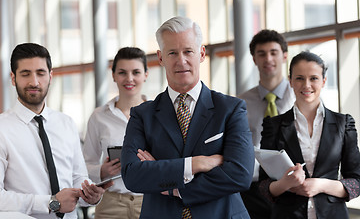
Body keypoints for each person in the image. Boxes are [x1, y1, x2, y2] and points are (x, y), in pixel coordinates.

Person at [120, 16, 254, 219]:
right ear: (161, 57)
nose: (181, 61)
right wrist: (196, 164)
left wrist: (175, 188)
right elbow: (133, 175)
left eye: (188, 51)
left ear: (201, 53)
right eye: (172, 52)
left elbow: (240, 175)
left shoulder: (230, 109)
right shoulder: (142, 115)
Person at [0, 43, 112, 219]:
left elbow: (78, 177)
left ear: (50, 76)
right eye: (25, 74)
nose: (34, 82)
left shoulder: (66, 123)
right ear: (13, 78)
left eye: (40, 73)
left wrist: (91, 195)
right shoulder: (2, 129)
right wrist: (52, 203)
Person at [259, 51, 360, 219]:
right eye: (299, 78)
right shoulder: (273, 125)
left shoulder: (344, 123)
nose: (306, 85)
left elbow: (356, 183)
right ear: (290, 81)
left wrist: (321, 185)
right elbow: (263, 186)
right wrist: (285, 184)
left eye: (313, 78)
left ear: (323, 81)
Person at [83, 47, 148, 218]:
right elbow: (84, 165)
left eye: (136, 72)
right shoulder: (98, 116)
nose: (129, 79)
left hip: (150, 201)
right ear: (113, 76)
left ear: (146, 75)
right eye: (122, 72)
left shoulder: (159, 114)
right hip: (111, 204)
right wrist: (102, 171)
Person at [239, 29, 295, 219]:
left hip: (293, 184)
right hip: (253, 190)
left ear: (284, 56)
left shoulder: (300, 97)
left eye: (273, 52)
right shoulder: (242, 103)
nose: (268, 59)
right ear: (254, 59)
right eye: (261, 54)